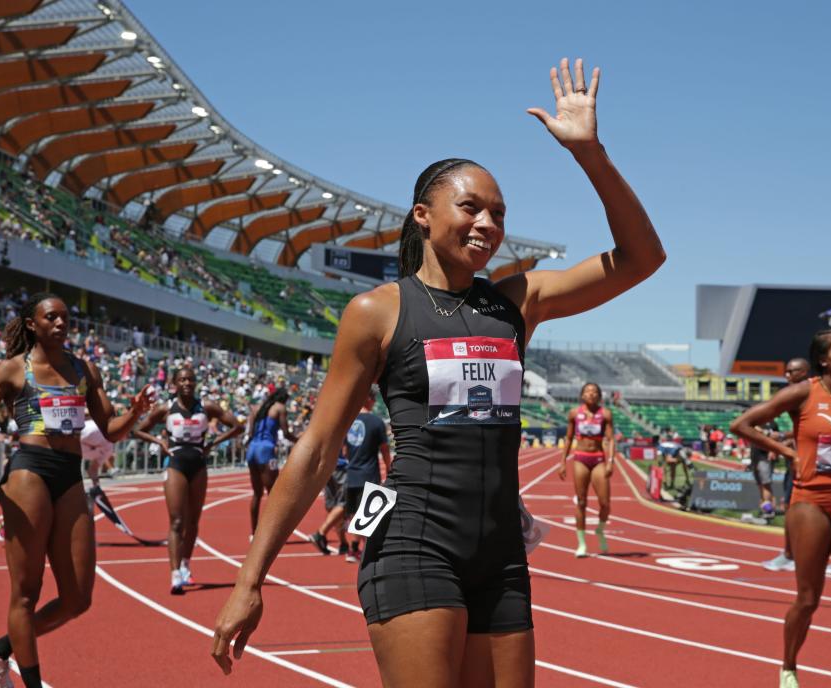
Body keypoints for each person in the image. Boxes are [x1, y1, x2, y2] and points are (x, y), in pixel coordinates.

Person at [212, 57, 665, 686]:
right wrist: (249, 580)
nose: (488, 224)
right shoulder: (377, 312)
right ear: (422, 214)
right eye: (472, 207)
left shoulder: (517, 302)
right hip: (413, 543)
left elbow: (643, 258)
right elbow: (317, 449)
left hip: (501, 554)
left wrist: (590, 154)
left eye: (499, 214)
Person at [0, 293, 153, 688]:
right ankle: (32, 683)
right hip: (29, 474)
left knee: (77, 598)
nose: (60, 323)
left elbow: (111, 431)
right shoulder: (11, 371)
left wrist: (135, 412)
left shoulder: (83, 369)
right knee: (27, 592)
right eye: (50, 317)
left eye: (65, 317)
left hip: (70, 475)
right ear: (32, 324)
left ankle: (0, 648)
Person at [730, 329, 831, 688]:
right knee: (808, 598)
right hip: (809, 501)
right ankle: (788, 665)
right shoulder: (804, 392)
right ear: (823, 359)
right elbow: (742, 424)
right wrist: (788, 452)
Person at [134, 367, 243, 594]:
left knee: (193, 521)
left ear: (195, 383)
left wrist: (213, 443)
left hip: (199, 465)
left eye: (190, 379)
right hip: (176, 464)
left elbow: (237, 426)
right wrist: (160, 442)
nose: (187, 383)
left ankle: (185, 564)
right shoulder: (166, 409)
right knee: (176, 521)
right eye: (182, 379)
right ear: (174, 383)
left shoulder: (207, 406)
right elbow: (138, 430)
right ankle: (174, 574)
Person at [763, 357, 810, 572]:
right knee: (793, 510)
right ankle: (792, 553)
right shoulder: (803, 395)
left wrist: (783, 440)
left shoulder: (806, 394)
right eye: (787, 372)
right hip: (798, 461)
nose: (787, 376)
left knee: (799, 511)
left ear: (805, 372)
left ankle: (795, 555)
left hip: (805, 464)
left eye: (792, 372)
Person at [558, 382, 614, 557]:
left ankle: (600, 529)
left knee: (605, 503)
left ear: (599, 395)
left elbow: (611, 439)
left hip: (598, 458)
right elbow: (568, 439)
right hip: (580, 458)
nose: (591, 394)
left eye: (594, 391)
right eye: (588, 391)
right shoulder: (574, 413)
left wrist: (610, 461)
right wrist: (562, 462)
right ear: (582, 395)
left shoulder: (605, 414)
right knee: (581, 502)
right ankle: (581, 544)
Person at [342, 387, 392, 562]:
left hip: (352, 473)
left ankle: (355, 549)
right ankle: (360, 550)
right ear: (369, 399)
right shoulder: (376, 423)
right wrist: (389, 469)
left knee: (354, 514)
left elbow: (345, 450)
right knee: (369, 515)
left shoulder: (349, 422)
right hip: (368, 473)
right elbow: (385, 451)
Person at [244, 388, 296, 537]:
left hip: (252, 449)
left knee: (257, 494)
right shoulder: (280, 408)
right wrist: (298, 441)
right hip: (266, 450)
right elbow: (285, 433)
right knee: (274, 493)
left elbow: (250, 432)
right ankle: (272, 533)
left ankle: (254, 533)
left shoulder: (258, 408)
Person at [308, 438, 351, 556]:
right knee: (343, 504)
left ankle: (343, 543)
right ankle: (320, 533)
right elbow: (347, 448)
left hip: (326, 467)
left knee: (333, 508)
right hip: (341, 467)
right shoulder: (346, 422)